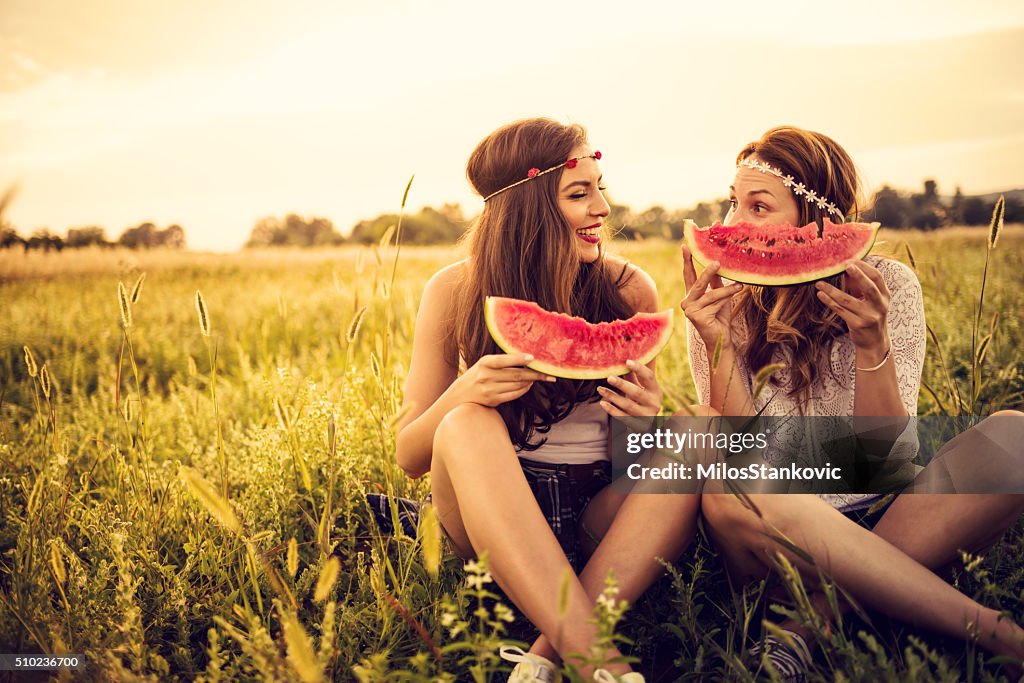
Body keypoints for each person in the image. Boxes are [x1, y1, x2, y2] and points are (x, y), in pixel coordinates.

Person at [681, 125, 1024, 681]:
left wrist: (873, 344)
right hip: (775, 532)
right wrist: (721, 346)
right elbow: (748, 456)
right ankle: (993, 629)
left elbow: (882, 458)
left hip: (884, 513)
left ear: (818, 221)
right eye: (732, 202)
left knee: (1014, 435)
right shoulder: (720, 306)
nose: (732, 224)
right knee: (730, 484)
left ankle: (805, 624)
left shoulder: (888, 285)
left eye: (758, 206)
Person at [394, 118, 699, 682]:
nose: (603, 208)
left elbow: (630, 466)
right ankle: (602, 664)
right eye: (579, 193)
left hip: (597, 519)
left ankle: (547, 654)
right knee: (463, 425)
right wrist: (463, 393)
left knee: (695, 435)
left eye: (600, 187)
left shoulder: (628, 288)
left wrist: (646, 421)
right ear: (527, 210)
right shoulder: (454, 290)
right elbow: (410, 457)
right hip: (490, 512)